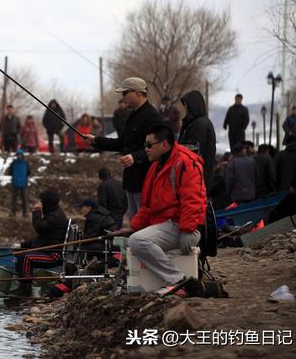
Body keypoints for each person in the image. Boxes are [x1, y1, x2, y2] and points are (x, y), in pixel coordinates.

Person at [123, 124, 206, 289]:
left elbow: (192, 200)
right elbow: (147, 206)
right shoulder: (156, 166)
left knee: (138, 242)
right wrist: (134, 227)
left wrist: (186, 230)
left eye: (149, 145)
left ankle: (178, 281)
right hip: (168, 226)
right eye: (144, 145)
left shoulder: (185, 163)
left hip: (185, 229)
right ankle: (175, 279)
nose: (146, 149)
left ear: (164, 144)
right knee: (134, 240)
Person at [85, 77, 162, 219]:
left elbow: (158, 148)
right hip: (131, 182)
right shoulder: (132, 115)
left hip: (145, 181)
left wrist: (135, 157)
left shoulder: (152, 117)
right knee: (134, 223)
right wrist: (96, 140)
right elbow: (122, 143)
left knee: (144, 223)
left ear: (137, 93)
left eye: (125, 93)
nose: (123, 97)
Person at [10, 190, 68, 296]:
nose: (38, 203)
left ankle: (25, 288)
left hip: (53, 254)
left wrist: (37, 211)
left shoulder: (55, 216)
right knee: (20, 254)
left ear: (46, 202)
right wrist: (22, 245)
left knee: (25, 257)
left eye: (40, 201)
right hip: (47, 250)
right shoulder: (52, 213)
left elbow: (39, 228)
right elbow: (41, 238)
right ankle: (23, 285)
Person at [178, 90, 216, 191]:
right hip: (196, 176)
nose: (185, 108)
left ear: (193, 105)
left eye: (186, 105)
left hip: (197, 177)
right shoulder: (194, 123)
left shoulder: (199, 124)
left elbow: (193, 149)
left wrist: (173, 149)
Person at [6, 149, 31, 217]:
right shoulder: (14, 163)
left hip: (23, 183)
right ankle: (13, 212)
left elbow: (29, 172)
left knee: (24, 199)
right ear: (17, 156)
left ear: (22, 155)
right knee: (14, 198)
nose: (19, 156)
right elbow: (10, 171)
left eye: (20, 155)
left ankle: (25, 213)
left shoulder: (25, 163)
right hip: (15, 183)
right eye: (18, 155)